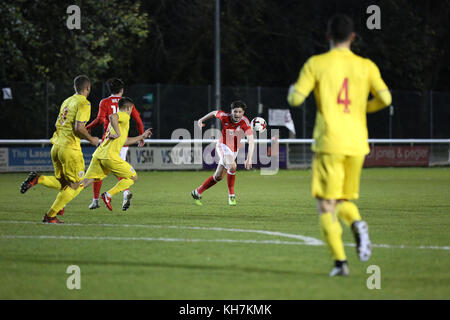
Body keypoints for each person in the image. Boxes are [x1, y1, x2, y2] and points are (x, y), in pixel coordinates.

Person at [287, 14, 392, 276]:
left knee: (326, 204)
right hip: (357, 143)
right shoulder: (366, 65)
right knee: (343, 199)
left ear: (328, 36)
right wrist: (363, 108)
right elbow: (386, 98)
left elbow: (297, 100)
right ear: (353, 37)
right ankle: (356, 223)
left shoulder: (316, 64)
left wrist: (292, 91)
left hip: (330, 142)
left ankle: (340, 263)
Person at [20, 75, 100, 224]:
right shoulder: (84, 103)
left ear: (75, 88)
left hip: (56, 146)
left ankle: (39, 179)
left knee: (63, 183)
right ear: (88, 88)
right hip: (70, 149)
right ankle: (50, 216)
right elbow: (79, 127)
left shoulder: (67, 101)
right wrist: (92, 139)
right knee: (76, 185)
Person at [82, 97, 152, 211]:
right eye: (131, 109)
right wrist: (118, 133)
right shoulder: (123, 115)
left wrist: (141, 136)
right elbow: (112, 116)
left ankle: (61, 203)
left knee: (85, 182)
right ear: (128, 108)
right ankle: (108, 195)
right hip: (110, 156)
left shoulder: (118, 122)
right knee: (133, 177)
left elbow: (124, 141)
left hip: (99, 154)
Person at [191, 100, 254, 206]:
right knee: (233, 166)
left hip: (234, 150)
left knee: (218, 177)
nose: (237, 114)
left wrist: (249, 158)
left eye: (239, 112)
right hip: (223, 146)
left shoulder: (245, 122)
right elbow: (214, 113)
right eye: (235, 111)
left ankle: (196, 192)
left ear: (243, 113)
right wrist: (201, 120)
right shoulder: (224, 116)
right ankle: (231, 196)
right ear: (231, 111)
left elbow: (251, 141)